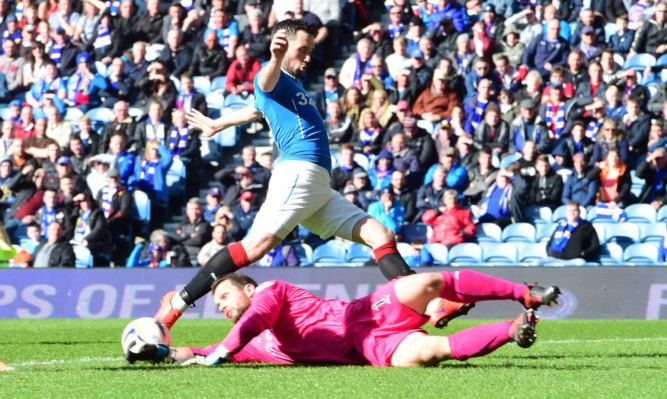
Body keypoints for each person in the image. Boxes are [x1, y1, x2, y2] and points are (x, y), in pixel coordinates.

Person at [178, 20, 462, 331]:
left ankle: (432, 303)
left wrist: (217, 125)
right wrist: (274, 58)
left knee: (381, 236)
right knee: (253, 248)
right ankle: (176, 306)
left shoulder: (289, 87)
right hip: (298, 173)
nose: (308, 56)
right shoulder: (271, 77)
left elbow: (254, 110)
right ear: (283, 45)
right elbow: (264, 80)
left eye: (310, 51)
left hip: (317, 187)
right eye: (302, 50)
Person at [126, 271, 561, 367]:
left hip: (365, 313)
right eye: (216, 300)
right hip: (369, 348)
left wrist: (224, 348)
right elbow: (195, 352)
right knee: (427, 353)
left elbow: (254, 320)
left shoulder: (272, 293)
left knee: (427, 281)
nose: (220, 303)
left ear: (249, 288)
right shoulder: (257, 347)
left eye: (224, 294)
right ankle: (513, 329)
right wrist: (155, 349)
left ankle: (526, 293)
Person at [169, 198, 213, 266]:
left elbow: (199, 240)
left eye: (197, 209)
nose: (194, 212)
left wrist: (181, 238)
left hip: (197, 259)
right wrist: (189, 235)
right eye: (192, 209)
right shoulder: (183, 224)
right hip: (182, 258)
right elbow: (174, 237)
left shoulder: (205, 225)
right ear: (187, 211)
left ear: (201, 210)